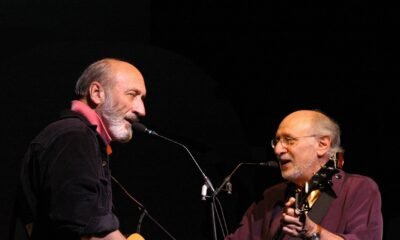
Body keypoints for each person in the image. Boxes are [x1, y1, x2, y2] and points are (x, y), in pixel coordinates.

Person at [15, 58, 147, 240]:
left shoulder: (80, 138)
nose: (142, 110)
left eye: (142, 98)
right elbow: (86, 227)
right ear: (96, 93)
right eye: (132, 94)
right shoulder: (74, 137)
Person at [225, 110, 383, 240]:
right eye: (277, 141)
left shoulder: (358, 188)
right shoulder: (271, 197)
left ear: (322, 145)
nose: (278, 150)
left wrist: (313, 231)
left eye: (289, 140)